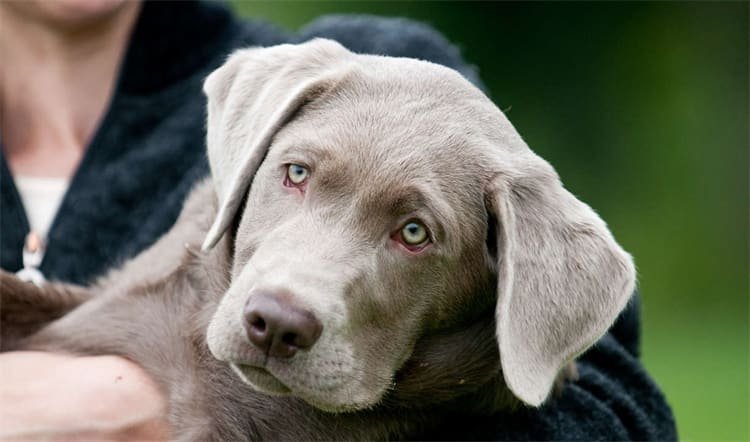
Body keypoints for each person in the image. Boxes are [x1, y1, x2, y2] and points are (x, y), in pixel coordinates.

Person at [0, 0, 677, 440]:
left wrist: (127, 407)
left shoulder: (378, 79)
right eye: (295, 176)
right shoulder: (274, 106)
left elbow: (616, 417)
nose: (288, 302)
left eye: (414, 231)